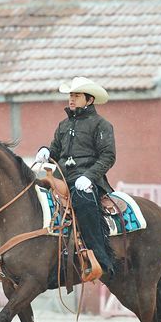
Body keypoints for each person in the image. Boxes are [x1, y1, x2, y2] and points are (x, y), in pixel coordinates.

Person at [35, 76, 117, 279]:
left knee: (84, 201)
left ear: (89, 100)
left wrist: (89, 177)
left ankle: (100, 256)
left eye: (76, 95)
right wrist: (46, 151)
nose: (71, 99)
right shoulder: (63, 125)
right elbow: (55, 150)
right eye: (71, 95)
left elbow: (108, 156)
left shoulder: (101, 125)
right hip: (61, 177)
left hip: (87, 180)